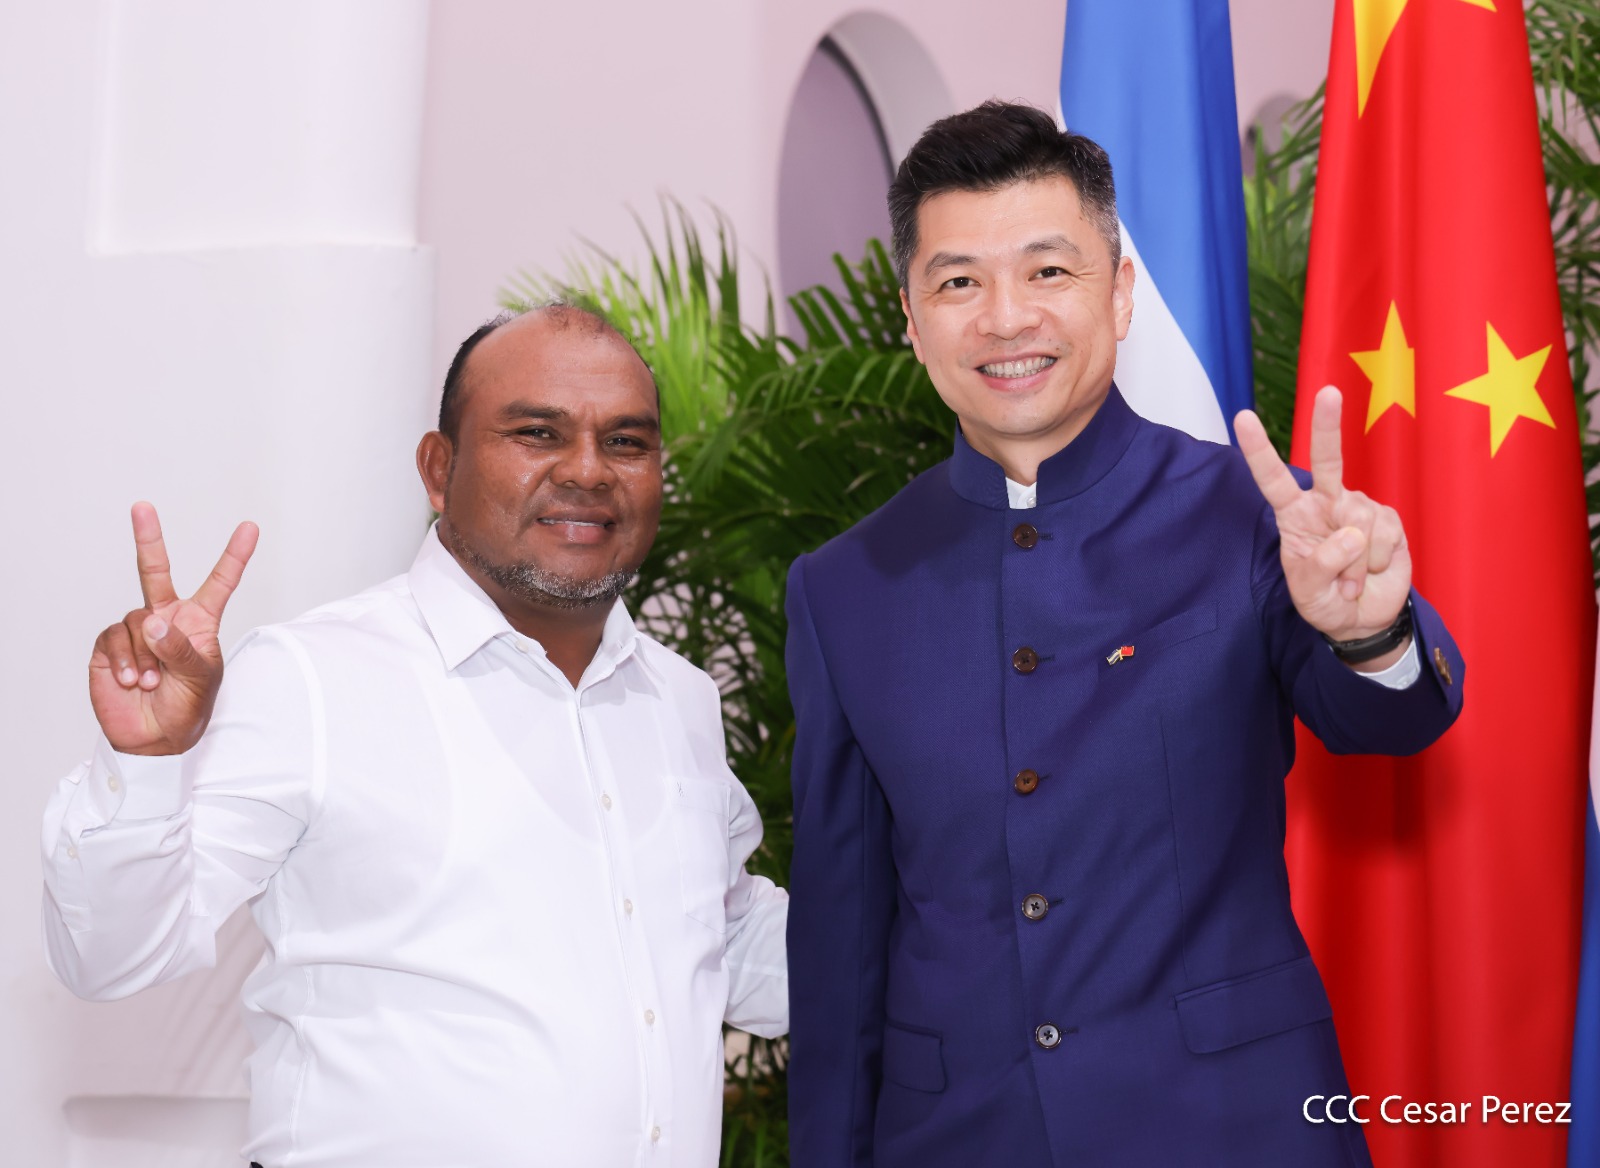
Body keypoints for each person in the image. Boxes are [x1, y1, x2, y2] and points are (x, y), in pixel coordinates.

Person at [783, 102, 1462, 1167]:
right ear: (911, 319)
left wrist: (1370, 634)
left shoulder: (1253, 518)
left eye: (1048, 271)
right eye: (958, 283)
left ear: (1121, 293)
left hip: (1230, 1130)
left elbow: (1387, 722)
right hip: (957, 1140)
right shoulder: (843, 586)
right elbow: (842, 939)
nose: (1006, 317)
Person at [41, 304, 788, 1168]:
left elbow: (723, 940)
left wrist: (924, 933)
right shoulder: (311, 677)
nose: (588, 470)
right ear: (440, 469)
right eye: (537, 433)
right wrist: (145, 766)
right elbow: (109, 957)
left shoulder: (680, 698)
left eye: (626, 442)